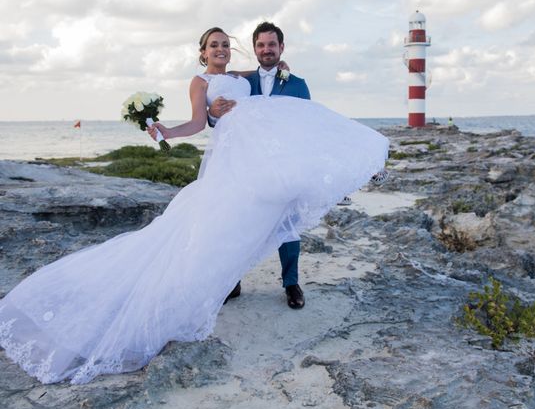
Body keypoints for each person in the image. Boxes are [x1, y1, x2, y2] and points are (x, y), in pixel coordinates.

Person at [0, 27, 388, 385]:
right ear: (202, 53)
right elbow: (197, 123)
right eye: (213, 45)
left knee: (277, 221)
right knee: (223, 223)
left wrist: (280, 68)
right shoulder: (202, 81)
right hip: (232, 162)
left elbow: (282, 103)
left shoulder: (245, 78)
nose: (220, 48)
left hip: (263, 161)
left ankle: (289, 282)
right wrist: (168, 130)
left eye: (225, 44)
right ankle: (218, 284)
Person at [208, 22, 310, 309]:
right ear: (254, 48)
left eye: (272, 45)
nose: (267, 50)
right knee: (240, 224)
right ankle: (234, 281)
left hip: (284, 165)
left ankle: (291, 284)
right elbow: (219, 119)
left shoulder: (298, 84)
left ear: (281, 47)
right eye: (261, 45)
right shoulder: (242, 84)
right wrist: (211, 114)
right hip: (246, 165)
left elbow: (308, 126)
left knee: (288, 226)